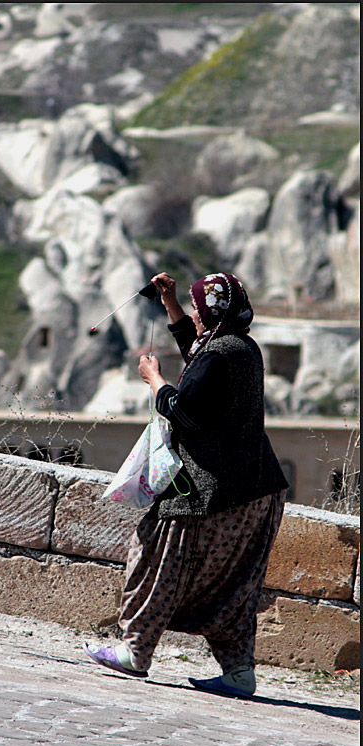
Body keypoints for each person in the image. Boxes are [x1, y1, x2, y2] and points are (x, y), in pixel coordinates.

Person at [84, 271, 289, 698]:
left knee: (155, 555)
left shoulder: (219, 355)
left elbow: (185, 412)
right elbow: (201, 366)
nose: (194, 314)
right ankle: (238, 671)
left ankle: (134, 651)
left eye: (197, 308)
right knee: (234, 585)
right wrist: (172, 307)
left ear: (211, 312)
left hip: (210, 491)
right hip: (259, 491)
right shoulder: (242, 347)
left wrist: (154, 380)